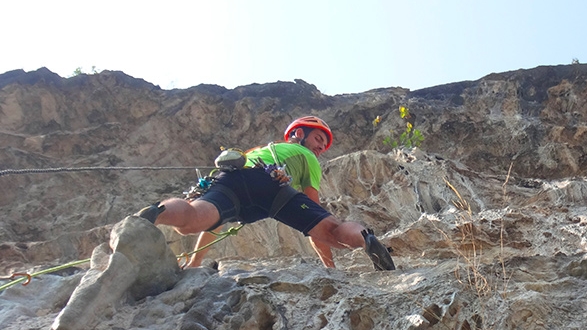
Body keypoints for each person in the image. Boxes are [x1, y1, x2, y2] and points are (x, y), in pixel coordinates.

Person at [135, 116, 395, 270]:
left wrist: (194, 263)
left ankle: (155, 214)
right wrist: (330, 265)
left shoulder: (258, 151)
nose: (321, 148)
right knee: (333, 229)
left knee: (194, 218)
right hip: (273, 188)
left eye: (323, 145)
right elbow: (315, 214)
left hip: (233, 180)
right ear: (298, 134)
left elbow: (215, 225)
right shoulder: (306, 156)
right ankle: (366, 240)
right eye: (318, 139)